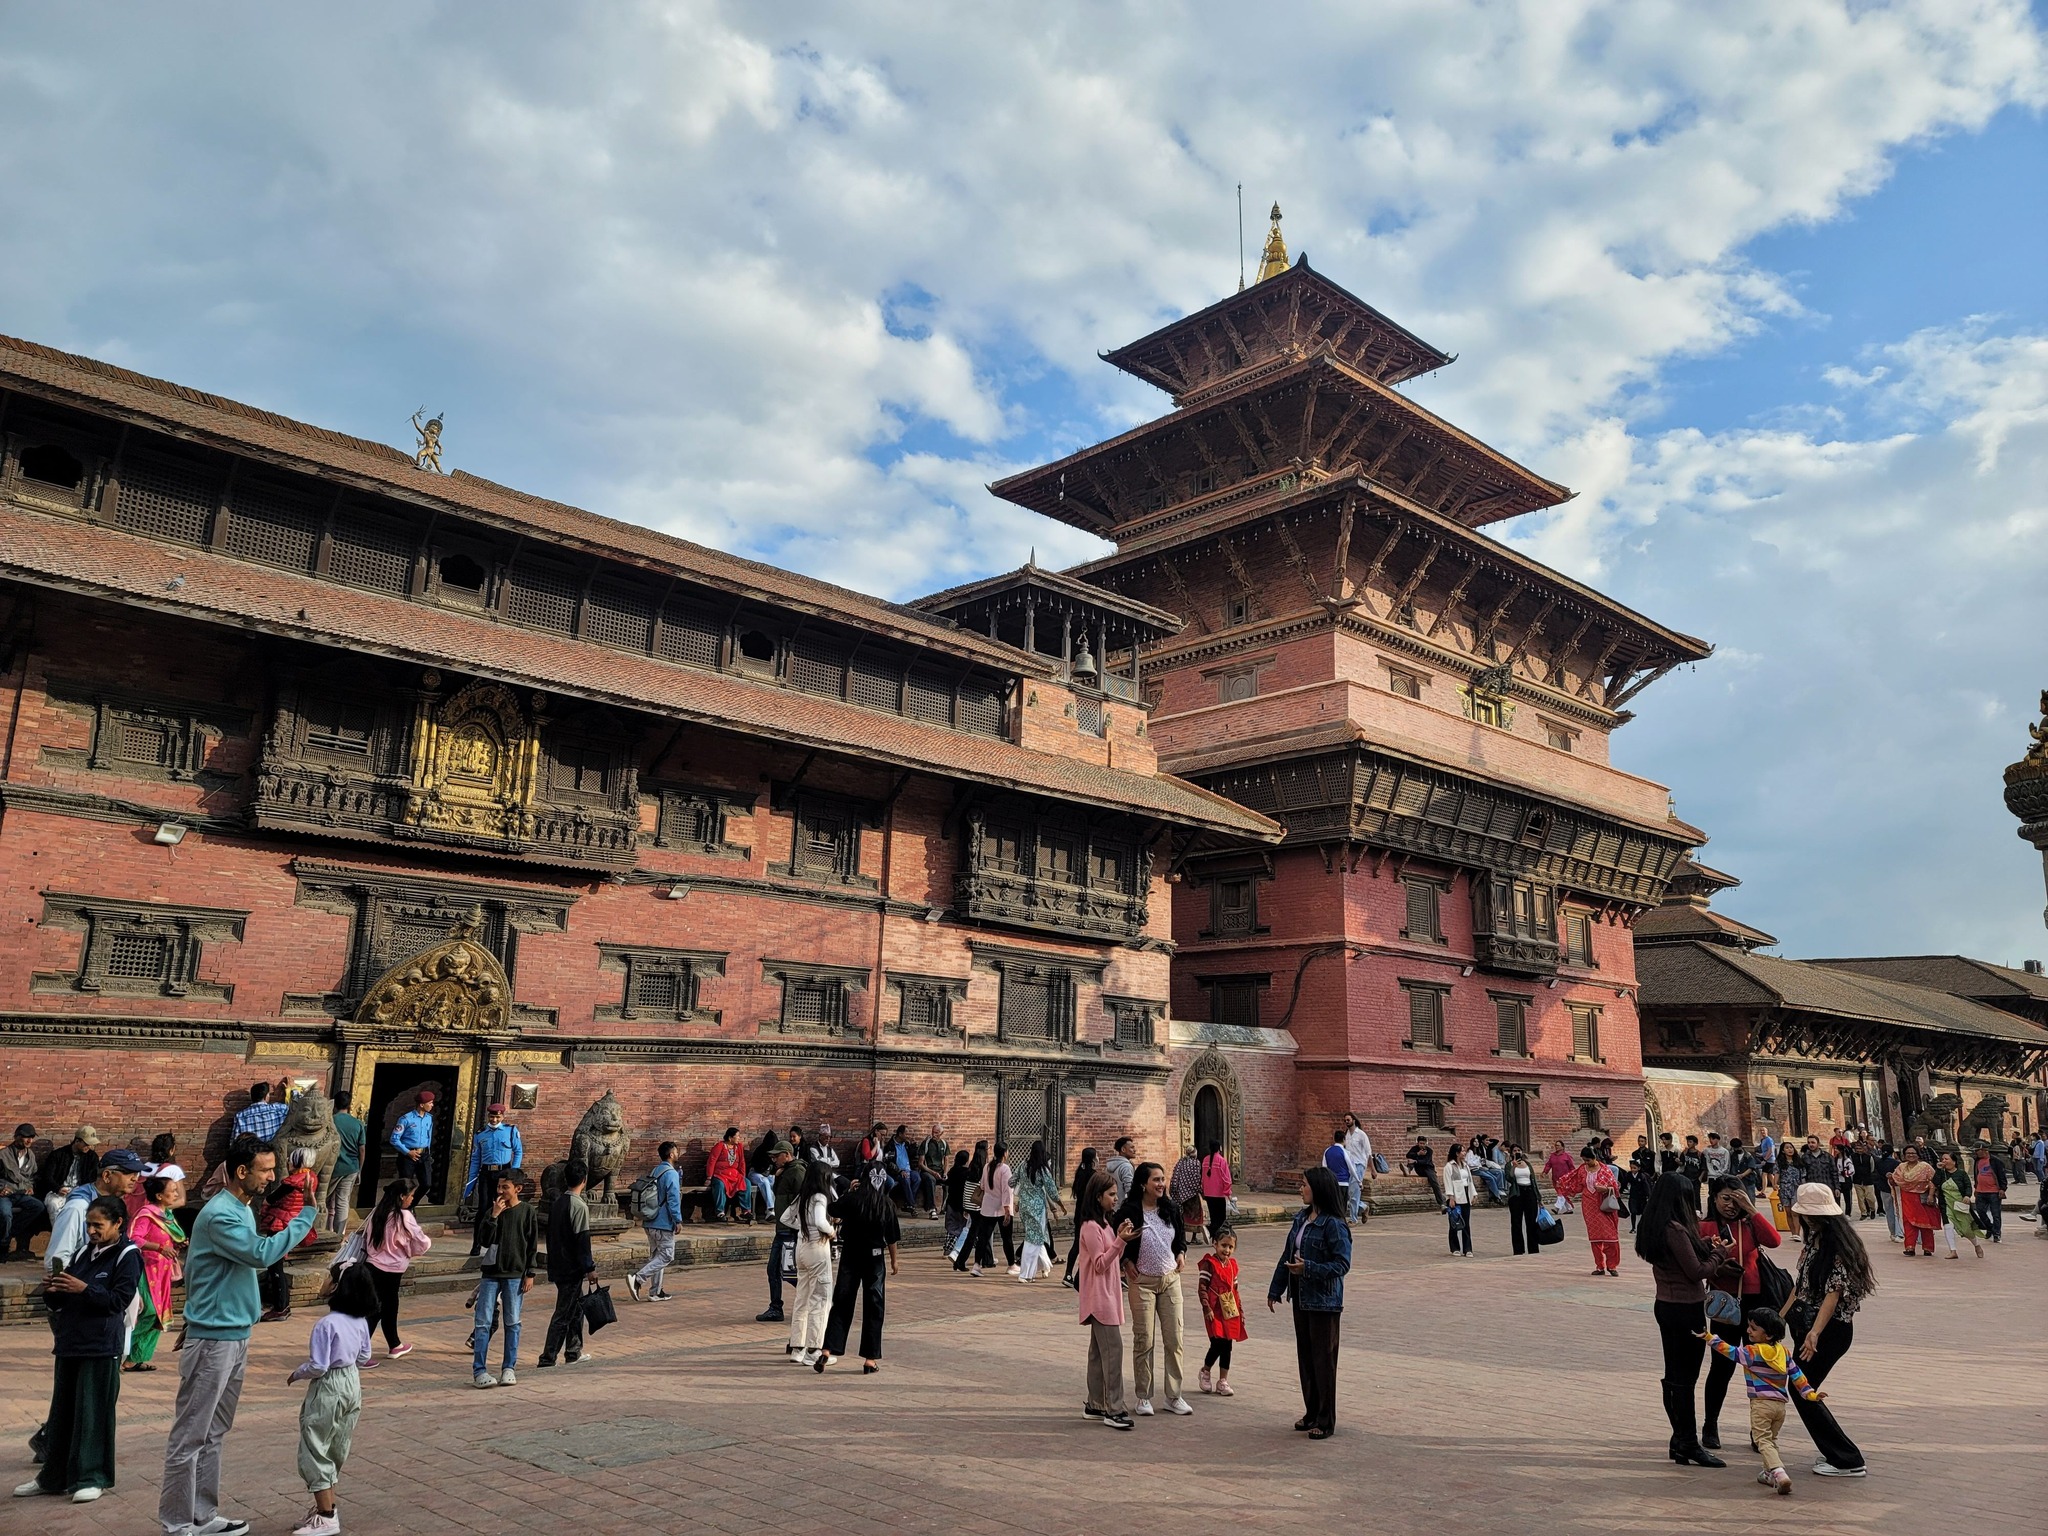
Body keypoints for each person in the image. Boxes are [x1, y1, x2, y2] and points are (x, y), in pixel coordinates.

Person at [159, 1133, 318, 1536]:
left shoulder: (242, 1208)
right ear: (241, 1171)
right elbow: (261, 1254)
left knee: (214, 1432)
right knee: (191, 1434)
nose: (272, 1178)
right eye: (265, 1171)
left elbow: (203, 1271)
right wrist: (305, 1217)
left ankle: (203, 1515)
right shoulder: (223, 1214)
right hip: (214, 1339)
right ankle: (177, 1522)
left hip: (232, 1333)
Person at [16, 1195, 139, 1505]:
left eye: (98, 1225)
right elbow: (63, 1300)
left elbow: (117, 1302)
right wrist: (54, 1289)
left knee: (93, 1414)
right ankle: (52, 1477)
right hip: (70, 1344)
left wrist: (84, 1288)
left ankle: (92, 1476)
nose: (92, 1231)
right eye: (88, 1225)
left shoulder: (128, 1255)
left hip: (100, 1346)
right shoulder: (85, 1252)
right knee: (62, 1414)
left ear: (117, 1224)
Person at [1634, 1170, 1728, 1468]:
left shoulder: (1655, 1225)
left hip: (1666, 1304)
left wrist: (1702, 1245)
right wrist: (1719, 1255)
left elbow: (1682, 1258)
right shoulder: (1675, 1229)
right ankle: (1687, 1441)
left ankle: (1679, 1439)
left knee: (1674, 1375)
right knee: (1685, 1379)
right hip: (1685, 1307)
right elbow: (1696, 1271)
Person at [285, 1258, 376, 1536]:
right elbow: (365, 1356)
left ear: (337, 1286)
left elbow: (319, 1366)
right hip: (352, 1382)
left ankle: (326, 1516)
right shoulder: (360, 1321)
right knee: (336, 1446)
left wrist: (297, 1373)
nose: (323, 1282)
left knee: (314, 1447)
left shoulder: (326, 1325)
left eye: (328, 1277)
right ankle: (327, 1508)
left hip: (329, 1386)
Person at [1787, 1185, 1873, 1476]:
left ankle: (1846, 1457)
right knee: (1804, 1388)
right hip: (1814, 1326)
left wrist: (1814, 1333)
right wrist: (1778, 1318)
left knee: (1802, 1389)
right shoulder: (1817, 1240)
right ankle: (1839, 1454)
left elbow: (1832, 1293)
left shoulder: (1836, 1247)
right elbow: (1801, 1287)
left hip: (1829, 1330)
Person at [1696, 1307, 1824, 1495]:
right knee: (1771, 1440)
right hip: (1780, 1407)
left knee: (1762, 1440)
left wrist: (1710, 1338)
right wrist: (1811, 1395)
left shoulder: (1752, 1352)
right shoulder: (1785, 1353)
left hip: (1761, 1405)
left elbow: (1730, 1351)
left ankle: (1779, 1473)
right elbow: (1798, 1376)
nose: (1748, 1331)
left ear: (1768, 1334)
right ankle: (1768, 1473)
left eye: (1753, 1328)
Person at [1267, 1165, 1350, 1440]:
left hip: (1324, 1301)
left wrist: (1310, 1268)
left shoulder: (1334, 1225)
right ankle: (1311, 1411)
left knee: (1323, 1360)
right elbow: (1287, 1255)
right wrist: (1276, 1288)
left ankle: (1325, 1420)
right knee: (1306, 1358)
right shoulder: (1301, 1219)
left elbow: (1341, 1264)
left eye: (1304, 1184)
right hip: (1300, 1297)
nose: (1300, 1189)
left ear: (1318, 1189)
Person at [1699, 1178, 1782, 1451]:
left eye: (1736, 1199)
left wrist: (1752, 1209)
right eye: (1725, 1198)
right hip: (1724, 1306)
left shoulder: (1749, 1224)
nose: (1731, 1205)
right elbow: (1696, 1263)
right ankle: (1710, 1424)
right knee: (1721, 1368)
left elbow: (1775, 1240)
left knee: (1761, 1368)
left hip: (1756, 1305)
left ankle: (1758, 1431)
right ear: (1713, 1198)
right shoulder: (1705, 1226)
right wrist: (1718, 1269)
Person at [1117, 1160, 1191, 1417]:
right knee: (1144, 1339)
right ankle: (1143, 1396)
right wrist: (1126, 1261)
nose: (1161, 1184)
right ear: (1143, 1184)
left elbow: (1179, 1237)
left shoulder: (1170, 1208)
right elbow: (1118, 1241)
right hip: (1142, 1283)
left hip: (1170, 1280)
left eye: (1162, 1179)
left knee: (1174, 1339)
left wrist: (1181, 1252)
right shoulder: (1130, 1211)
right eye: (1156, 1180)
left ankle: (1174, 1395)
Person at [815, 1168, 900, 1373]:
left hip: (851, 1256)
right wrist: (894, 1261)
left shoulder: (853, 1199)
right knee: (874, 1306)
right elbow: (892, 1238)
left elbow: (833, 1209)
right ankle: (870, 1359)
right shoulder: (886, 1204)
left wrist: (848, 1192)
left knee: (842, 1301)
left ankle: (827, 1349)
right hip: (874, 1258)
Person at [1076, 1171, 1135, 1430]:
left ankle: (1095, 1403)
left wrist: (1119, 1235)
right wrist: (1120, 1242)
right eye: (1111, 1194)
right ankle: (1114, 1408)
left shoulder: (1104, 1225)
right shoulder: (1090, 1227)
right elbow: (1100, 1264)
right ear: (1098, 1197)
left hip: (1107, 1296)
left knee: (1099, 1355)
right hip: (1100, 1300)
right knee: (1113, 1353)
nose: (1116, 1198)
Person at [469, 1167, 538, 1388]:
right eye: (499, 1187)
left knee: (513, 1322)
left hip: (515, 1275)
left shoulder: (527, 1212)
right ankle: (479, 1370)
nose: (500, 1191)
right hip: (491, 1274)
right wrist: (494, 1216)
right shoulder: (492, 1211)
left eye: (505, 1187)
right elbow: (485, 1240)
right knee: (483, 1323)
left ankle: (509, 1367)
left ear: (517, 1189)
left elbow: (532, 1245)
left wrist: (530, 1273)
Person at [536, 1158, 597, 1368]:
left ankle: (573, 1351)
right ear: (584, 1180)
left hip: (558, 1262)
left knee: (576, 1308)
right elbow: (582, 1240)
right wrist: (589, 1268)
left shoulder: (558, 1202)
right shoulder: (579, 1206)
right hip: (571, 1267)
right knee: (563, 1313)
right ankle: (548, 1356)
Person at [126, 1166, 188, 1372]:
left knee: (158, 1318)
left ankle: (136, 1358)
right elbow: (134, 1239)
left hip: (162, 1271)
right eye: (173, 1190)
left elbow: (167, 1237)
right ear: (160, 1195)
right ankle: (120, 1348)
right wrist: (160, 1248)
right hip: (147, 1270)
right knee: (150, 1312)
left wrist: (175, 1245)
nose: (177, 1193)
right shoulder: (146, 1214)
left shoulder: (166, 1215)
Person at [363, 1176, 431, 1359]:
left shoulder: (378, 1212)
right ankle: (362, 1350)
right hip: (393, 1268)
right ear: (402, 1196)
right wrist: (409, 1251)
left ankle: (394, 1343)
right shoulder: (404, 1216)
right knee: (381, 1308)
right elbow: (421, 1242)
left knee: (383, 1306)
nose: (412, 1199)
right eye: (411, 1196)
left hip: (373, 1264)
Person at [258, 1147, 321, 1323]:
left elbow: (270, 1198)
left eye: (290, 1159)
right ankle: (281, 1306)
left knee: (274, 1265)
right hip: (294, 1222)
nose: (287, 1163)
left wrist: (264, 1206)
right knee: (277, 1265)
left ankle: (280, 1307)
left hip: (280, 1222)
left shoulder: (291, 1182)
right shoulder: (311, 1178)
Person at [785, 1158, 835, 1366]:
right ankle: (814, 1349)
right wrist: (831, 1232)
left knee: (802, 1298)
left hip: (801, 1247)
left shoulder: (802, 1196)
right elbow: (820, 1221)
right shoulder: (820, 1197)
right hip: (817, 1248)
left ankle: (797, 1347)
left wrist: (802, 1228)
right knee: (821, 1300)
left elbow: (786, 1218)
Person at [626, 1141, 682, 1303]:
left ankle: (655, 1291)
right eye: (676, 1152)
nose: (678, 1154)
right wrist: (677, 1220)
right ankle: (637, 1279)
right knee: (666, 1255)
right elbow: (673, 1199)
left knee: (657, 1256)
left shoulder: (656, 1170)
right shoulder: (671, 1174)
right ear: (671, 1154)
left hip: (650, 1220)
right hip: (663, 1222)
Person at [461, 1103, 523, 1249]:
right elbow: (476, 1159)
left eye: (497, 1117)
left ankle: (499, 1243)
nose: (494, 1120)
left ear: (502, 1116)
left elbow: (518, 1151)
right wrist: (469, 1184)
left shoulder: (510, 1131)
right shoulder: (480, 1133)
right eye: (492, 1116)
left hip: (504, 1172)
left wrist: (513, 1174)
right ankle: (477, 1243)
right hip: (486, 1172)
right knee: (483, 1208)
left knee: (503, 1206)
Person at [1555, 1144, 1623, 1276]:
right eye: (1584, 1160)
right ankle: (1599, 1266)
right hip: (1588, 1204)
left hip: (1604, 1205)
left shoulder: (1605, 1170)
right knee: (1595, 1237)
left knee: (1611, 1236)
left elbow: (1615, 1188)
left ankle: (1612, 1265)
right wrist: (1563, 1184)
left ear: (1594, 1158)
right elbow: (1575, 1183)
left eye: (1588, 1160)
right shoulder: (1582, 1169)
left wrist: (1605, 1189)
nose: (1586, 1163)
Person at [1196, 1225, 1246, 1397]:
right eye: (1223, 1245)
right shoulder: (1209, 1264)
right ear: (1215, 1244)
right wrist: (1206, 1307)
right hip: (1214, 1309)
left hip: (1229, 1309)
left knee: (1228, 1344)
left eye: (1230, 1247)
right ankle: (1206, 1370)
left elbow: (1235, 1289)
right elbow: (1202, 1287)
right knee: (1217, 1342)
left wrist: (1240, 1311)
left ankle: (1223, 1381)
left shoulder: (1232, 1266)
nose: (1227, 1250)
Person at [756, 1138, 801, 1324]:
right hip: (782, 1230)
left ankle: (819, 1300)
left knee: (788, 1272)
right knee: (774, 1270)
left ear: (787, 1155)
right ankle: (776, 1307)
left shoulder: (798, 1171)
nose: (774, 1160)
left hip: (790, 1230)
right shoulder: (785, 1171)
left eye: (777, 1156)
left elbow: (802, 1198)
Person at [1014, 1140, 1064, 1282]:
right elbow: (1052, 1190)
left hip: (1024, 1206)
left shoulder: (1023, 1165)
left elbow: (1012, 1181)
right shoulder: (1043, 1169)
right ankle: (1026, 1274)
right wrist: (1060, 1204)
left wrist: (1023, 1188)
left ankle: (1044, 1264)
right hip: (1038, 1209)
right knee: (1033, 1239)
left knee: (1036, 1237)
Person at [37, 1126, 102, 1227]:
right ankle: (59, 1233)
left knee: (84, 1209)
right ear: (77, 1141)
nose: (89, 1147)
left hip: (81, 1191)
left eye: (90, 1144)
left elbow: (92, 1178)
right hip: (58, 1191)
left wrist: (82, 1190)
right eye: (86, 1144)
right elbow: (47, 1177)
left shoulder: (92, 1157)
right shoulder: (58, 1154)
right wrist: (58, 1188)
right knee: (54, 1204)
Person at [1933, 1151, 1985, 1260]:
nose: (1943, 1161)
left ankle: (1976, 1245)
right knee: (1948, 1227)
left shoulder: (1961, 1173)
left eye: (1946, 1159)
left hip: (1960, 1205)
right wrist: (1938, 1169)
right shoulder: (1942, 1173)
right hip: (1946, 1205)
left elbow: (1967, 1186)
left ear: (1954, 1161)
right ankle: (1953, 1251)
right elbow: (1935, 1182)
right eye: (1942, 1159)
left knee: (1966, 1229)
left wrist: (1967, 1196)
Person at [2, 1122, 43, 1260]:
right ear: (17, 1137)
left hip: (21, 1194)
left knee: (38, 1207)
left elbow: (33, 1176)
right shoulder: (3, 1155)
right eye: (26, 1137)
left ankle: (9, 1234)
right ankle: (3, 1245)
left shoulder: (30, 1155)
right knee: (5, 1213)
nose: (29, 1140)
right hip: (5, 1195)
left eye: (31, 1137)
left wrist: (30, 1187)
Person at [1890, 1144, 1939, 1256]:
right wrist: (1890, 1179)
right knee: (1908, 1222)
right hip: (1907, 1197)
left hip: (1922, 1197)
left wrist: (1931, 1195)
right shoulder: (1901, 1167)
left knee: (1925, 1223)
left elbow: (1933, 1181)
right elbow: (1895, 1182)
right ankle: (1910, 1247)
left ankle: (1928, 1248)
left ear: (1918, 1155)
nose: (1911, 1155)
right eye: (1908, 1153)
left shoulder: (1925, 1167)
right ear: (1904, 1155)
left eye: (1913, 1153)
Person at [388, 1090, 436, 1203]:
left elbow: (428, 1137)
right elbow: (394, 1139)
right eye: (430, 1103)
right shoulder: (406, 1119)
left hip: (423, 1155)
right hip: (408, 1155)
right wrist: (407, 1152)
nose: (432, 1105)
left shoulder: (429, 1118)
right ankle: (400, 1206)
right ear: (421, 1104)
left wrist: (428, 1153)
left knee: (426, 1184)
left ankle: (411, 1205)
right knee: (406, 1185)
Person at [326, 1105, 364, 1237]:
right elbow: (362, 1149)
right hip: (351, 1166)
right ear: (349, 1106)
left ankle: (326, 1230)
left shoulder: (330, 1120)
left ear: (335, 1104)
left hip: (332, 1167)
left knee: (326, 1199)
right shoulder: (357, 1123)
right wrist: (359, 1168)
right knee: (342, 1201)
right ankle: (339, 1235)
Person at [1064, 1147, 1099, 1288]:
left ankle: (1068, 1273)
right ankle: (1081, 1276)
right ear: (1093, 1159)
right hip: (1090, 1215)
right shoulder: (1094, 1175)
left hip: (1079, 1214)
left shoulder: (1080, 1173)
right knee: (1090, 1246)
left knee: (1077, 1245)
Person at [704, 1126, 753, 1222]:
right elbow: (712, 1161)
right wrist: (709, 1177)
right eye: (737, 1136)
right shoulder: (720, 1146)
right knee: (719, 1185)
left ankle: (746, 1211)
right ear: (730, 1138)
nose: (739, 1138)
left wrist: (742, 1176)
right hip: (721, 1174)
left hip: (735, 1175)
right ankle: (720, 1212)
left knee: (746, 1183)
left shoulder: (739, 1147)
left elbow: (742, 1162)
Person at [1505, 1146, 1542, 1255]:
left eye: (1519, 1150)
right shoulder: (1509, 1165)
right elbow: (1509, 1178)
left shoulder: (1528, 1164)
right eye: (1515, 1151)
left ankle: (1533, 1249)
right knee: (1516, 1222)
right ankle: (1518, 1249)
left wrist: (1538, 1197)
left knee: (1531, 1222)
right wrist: (1514, 1167)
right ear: (1512, 1153)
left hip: (1530, 1192)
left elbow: (1533, 1180)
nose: (1517, 1152)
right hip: (1517, 1193)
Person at [1169, 1144, 1206, 1248]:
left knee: (1183, 1215)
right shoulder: (1195, 1163)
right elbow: (1196, 1179)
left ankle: (1183, 1238)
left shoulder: (1181, 1162)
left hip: (1181, 1194)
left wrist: (1174, 1192)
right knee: (1196, 1215)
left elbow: (1175, 1177)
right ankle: (1193, 1238)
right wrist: (1201, 1191)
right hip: (1192, 1194)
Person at [1441, 1144, 1474, 1256]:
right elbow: (1448, 1182)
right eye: (1462, 1151)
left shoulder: (1465, 1166)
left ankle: (1467, 1248)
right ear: (1456, 1153)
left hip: (1465, 1194)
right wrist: (1451, 1197)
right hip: (1455, 1196)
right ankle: (1455, 1247)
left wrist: (1473, 1194)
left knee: (1466, 1222)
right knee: (1454, 1222)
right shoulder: (1449, 1166)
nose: (1464, 1153)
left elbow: (1470, 1181)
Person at [1970, 1142, 2007, 1244]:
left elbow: (2002, 1176)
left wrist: (2002, 1189)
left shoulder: (1996, 1161)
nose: (1976, 1153)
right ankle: (1989, 1227)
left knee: (1996, 1214)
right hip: (1981, 1191)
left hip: (1994, 1192)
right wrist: (1976, 1188)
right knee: (1981, 1212)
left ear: (1984, 1150)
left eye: (1977, 1150)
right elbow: (1976, 1174)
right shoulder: (1977, 1161)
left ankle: (1996, 1234)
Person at [944, 1149, 974, 1270]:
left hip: (951, 1203)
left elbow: (947, 1183)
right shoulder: (967, 1173)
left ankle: (947, 1248)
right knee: (963, 1228)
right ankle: (955, 1250)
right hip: (962, 1205)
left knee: (951, 1227)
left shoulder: (952, 1171)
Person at [745, 1129, 780, 1227]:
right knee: (764, 1182)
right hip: (755, 1173)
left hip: (767, 1174)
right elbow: (758, 1168)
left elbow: (775, 1170)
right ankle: (770, 1209)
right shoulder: (760, 1151)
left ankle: (777, 1209)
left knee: (774, 1180)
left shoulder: (776, 1153)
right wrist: (769, 1161)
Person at [1341, 1115, 1373, 1222]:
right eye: (1345, 1120)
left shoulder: (1361, 1135)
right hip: (1349, 1165)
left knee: (1354, 1192)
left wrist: (1372, 1169)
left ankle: (1353, 1219)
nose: (1346, 1122)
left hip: (1359, 1165)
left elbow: (1369, 1153)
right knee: (1349, 1192)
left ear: (1353, 1120)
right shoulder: (1346, 1135)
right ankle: (1363, 1207)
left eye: (1348, 1120)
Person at [1199, 1139, 1232, 1242]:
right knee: (1221, 1218)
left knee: (1213, 1215)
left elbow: (1203, 1177)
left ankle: (1213, 1236)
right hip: (1219, 1194)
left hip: (1208, 1193)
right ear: (1219, 1148)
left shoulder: (1205, 1160)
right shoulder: (1222, 1161)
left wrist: (1203, 1190)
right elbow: (1226, 1179)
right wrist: (1228, 1192)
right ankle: (1211, 1231)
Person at [1627, 1135, 1657, 1233]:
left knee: (1645, 1206)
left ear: (1646, 1142)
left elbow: (1654, 1165)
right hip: (1637, 1181)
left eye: (1642, 1141)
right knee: (1634, 1210)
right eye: (1639, 1141)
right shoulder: (1635, 1154)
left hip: (1648, 1177)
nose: (1641, 1143)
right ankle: (1634, 1227)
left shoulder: (1651, 1154)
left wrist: (1653, 1176)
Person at [1407, 1136, 1442, 1203]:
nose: (1422, 1145)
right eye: (1420, 1143)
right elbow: (1408, 1155)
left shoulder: (1429, 1151)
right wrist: (1418, 1154)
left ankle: (1441, 1202)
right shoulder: (1414, 1149)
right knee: (1410, 1159)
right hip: (1419, 1169)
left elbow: (1426, 1161)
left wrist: (1416, 1161)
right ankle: (1408, 1169)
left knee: (1434, 1182)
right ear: (1418, 1143)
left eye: (1423, 1143)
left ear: (1426, 1143)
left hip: (1428, 1169)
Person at [1848, 1139, 1877, 1220]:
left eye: (1860, 1148)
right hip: (1857, 1180)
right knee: (1860, 1198)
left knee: (1870, 1198)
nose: (1858, 1150)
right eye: (1857, 1149)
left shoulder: (1869, 1157)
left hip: (1868, 1180)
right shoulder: (1852, 1157)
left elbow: (1872, 1168)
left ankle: (1872, 1209)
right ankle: (1863, 1213)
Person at [1105, 1136, 1137, 1205]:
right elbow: (1129, 1190)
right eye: (1132, 1147)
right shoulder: (1126, 1167)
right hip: (1122, 1207)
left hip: (1110, 1205)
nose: (1135, 1150)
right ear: (1123, 1149)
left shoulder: (1108, 1166)